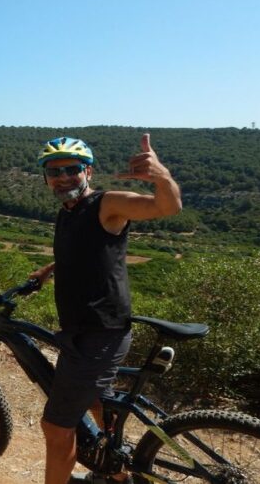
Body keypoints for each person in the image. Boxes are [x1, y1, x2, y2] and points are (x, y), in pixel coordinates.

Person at [29, 135, 181, 484]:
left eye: (72, 169)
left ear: (88, 172)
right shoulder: (68, 212)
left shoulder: (107, 204)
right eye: (54, 171)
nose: (63, 177)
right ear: (46, 178)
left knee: (56, 426)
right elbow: (83, 252)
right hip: (85, 331)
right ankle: (116, 473)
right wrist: (48, 271)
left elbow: (167, 208)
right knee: (99, 403)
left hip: (98, 335)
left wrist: (162, 176)